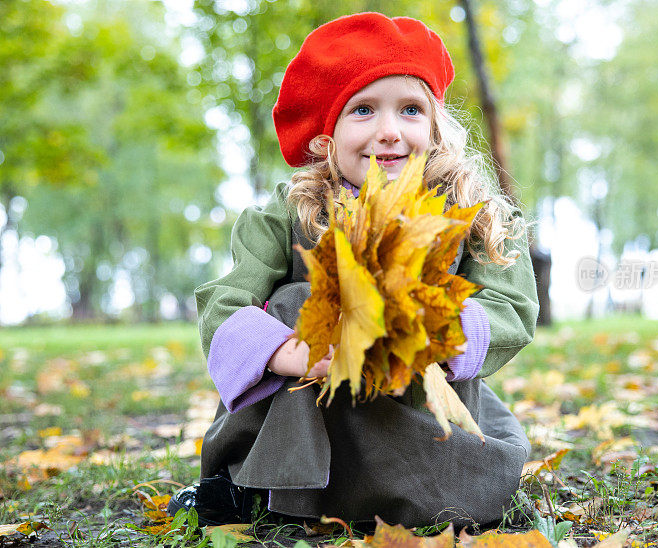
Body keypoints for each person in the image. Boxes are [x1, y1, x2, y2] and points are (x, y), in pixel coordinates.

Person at [168, 12, 539, 529]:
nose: (389, 131)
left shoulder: (472, 214)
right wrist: (291, 352)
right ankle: (253, 486)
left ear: (433, 127)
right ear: (327, 136)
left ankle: (400, 494)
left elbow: (510, 309)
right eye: (363, 110)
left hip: (412, 429)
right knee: (304, 297)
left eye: (410, 109)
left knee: (451, 481)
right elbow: (224, 302)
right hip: (303, 417)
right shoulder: (290, 214)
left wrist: (423, 333)